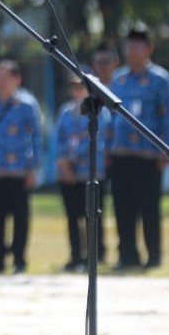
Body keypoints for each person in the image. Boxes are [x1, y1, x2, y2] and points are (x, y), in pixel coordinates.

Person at [107, 25, 169, 270]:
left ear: (148, 49)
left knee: (149, 207)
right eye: (129, 47)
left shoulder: (160, 79)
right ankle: (127, 255)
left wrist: (166, 149)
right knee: (122, 207)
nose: (132, 51)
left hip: (148, 154)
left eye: (137, 47)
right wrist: (107, 147)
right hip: (121, 152)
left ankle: (153, 256)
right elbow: (109, 117)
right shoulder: (119, 79)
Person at [0, 60, 42, 274]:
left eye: (4, 77)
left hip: (18, 171)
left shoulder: (27, 105)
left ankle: (19, 259)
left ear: (16, 79)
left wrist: (33, 169)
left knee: (20, 218)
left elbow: (36, 138)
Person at [55, 73, 109, 272]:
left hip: (90, 172)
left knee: (92, 216)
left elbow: (96, 139)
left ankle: (95, 255)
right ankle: (75, 255)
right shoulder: (65, 111)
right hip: (69, 175)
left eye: (80, 87)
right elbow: (58, 139)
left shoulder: (99, 111)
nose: (76, 91)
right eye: (73, 87)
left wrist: (72, 158)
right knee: (72, 217)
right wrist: (63, 163)